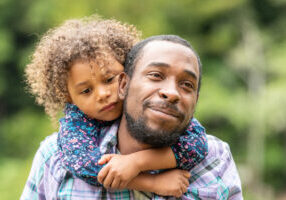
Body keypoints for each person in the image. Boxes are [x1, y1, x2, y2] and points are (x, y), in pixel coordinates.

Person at [21, 32, 243, 199]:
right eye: (156, 75)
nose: (103, 94)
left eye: (187, 84)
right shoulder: (58, 151)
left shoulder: (216, 157)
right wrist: (151, 182)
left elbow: (196, 146)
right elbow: (85, 166)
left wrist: (136, 162)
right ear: (125, 84)